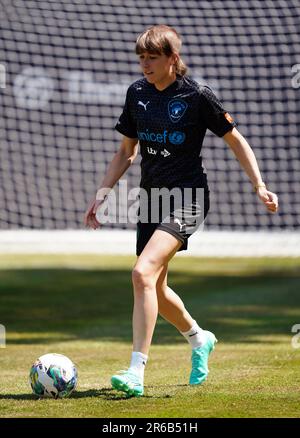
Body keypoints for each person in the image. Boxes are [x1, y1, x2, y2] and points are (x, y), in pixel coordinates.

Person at [84, 25, 278, 397]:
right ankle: (199, 338)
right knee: (154, 284)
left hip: (188, 198)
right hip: (151, 200)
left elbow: (236, 141)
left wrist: (259, 185)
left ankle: (136, 373)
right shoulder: (136, 93)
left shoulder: (196, 95)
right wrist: (102, 193)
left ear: (173, 58)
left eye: (152, 58)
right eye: (141, 58)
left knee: (141, 273)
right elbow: (127, 151)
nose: (145, 65)